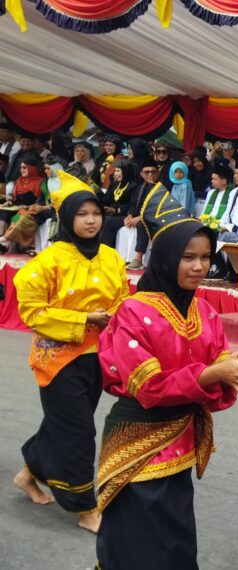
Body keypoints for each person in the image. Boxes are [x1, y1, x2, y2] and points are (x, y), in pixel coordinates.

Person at [95, 185, 238, 569]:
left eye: (206, 257)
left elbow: (216, 366)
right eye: (188, 257)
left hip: (181, 444)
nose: (199, 266)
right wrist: (213, 373)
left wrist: (234, 371)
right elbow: (150, 387)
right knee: (135, 545)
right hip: (137, 444)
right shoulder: (133, 311)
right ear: (167, 256)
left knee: (176, 543)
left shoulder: (205, 312)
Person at [11, 170, 129, 533]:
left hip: (97, 356)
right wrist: (84, 319)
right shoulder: (49, 260)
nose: (91, 220)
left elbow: (123, 298)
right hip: (58, 359)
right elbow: (32, 310)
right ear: (67, 219)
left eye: (96, 213)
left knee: (63, 423)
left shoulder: (111, 257)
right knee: (78, 430)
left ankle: (28, 473)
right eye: (82, 214)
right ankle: (84, 506)